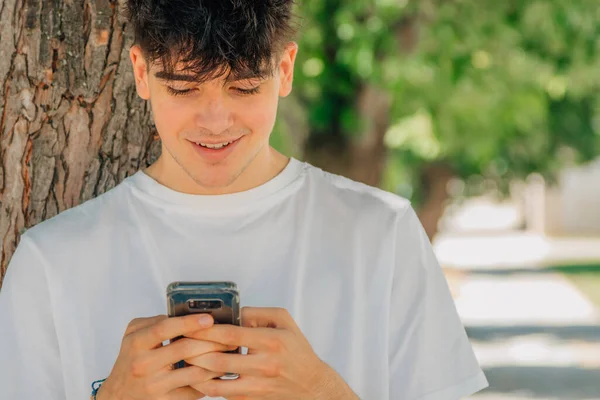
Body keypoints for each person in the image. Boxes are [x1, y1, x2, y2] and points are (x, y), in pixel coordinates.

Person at [0, 1, 489, 399]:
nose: (215, 122)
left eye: (243, 87)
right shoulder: (52, 261)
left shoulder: (381, 233)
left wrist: (323, 392)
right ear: (142, 74)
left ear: (285, 69)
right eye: (184, 88)